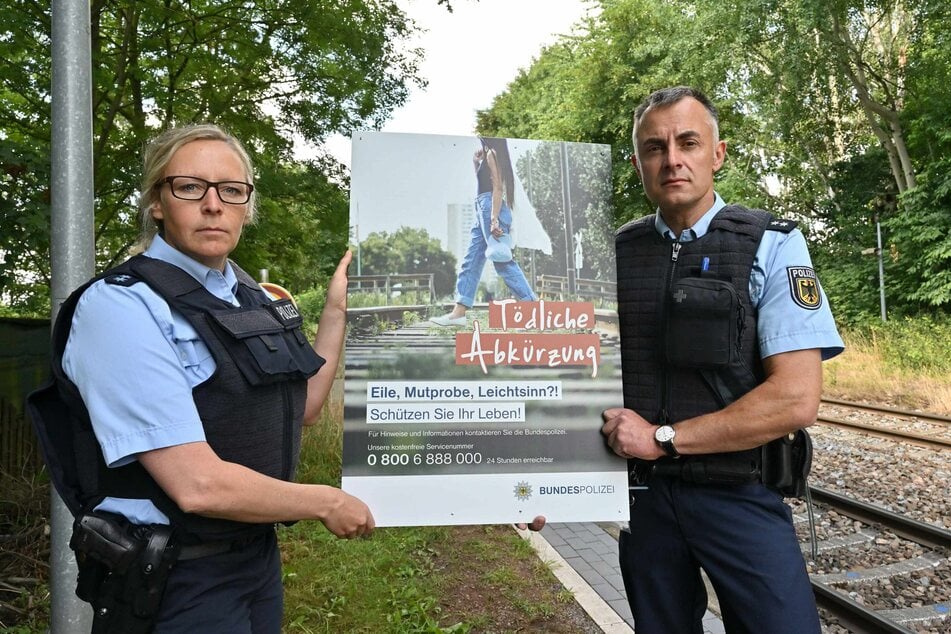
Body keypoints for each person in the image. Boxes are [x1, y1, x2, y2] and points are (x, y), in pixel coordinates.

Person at [30, 124, 374, 633]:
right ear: (157, 202)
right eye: (191, 187)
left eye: (231, 191)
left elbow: (304, 408)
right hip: (176, 578)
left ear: (245, 207)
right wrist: (326, 501)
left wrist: (336, 310)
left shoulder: (249, 296)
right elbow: (196, 485)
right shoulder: (122, 306)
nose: (213, 204)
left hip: (254, 561)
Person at [601, 86, 843, 633]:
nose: (672, 159)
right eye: (654, 148)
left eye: (688, 142)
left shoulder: (773, 244)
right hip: (645, 503)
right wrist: (536, 479)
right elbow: (567, 373)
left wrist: (663, 438)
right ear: (640, 162)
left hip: (740, 494)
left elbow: (796, 399)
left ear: (718, 153)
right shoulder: (610, 255)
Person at [431, 136, 537, 326]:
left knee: (502, 260)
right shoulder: (489, 155)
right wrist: (476, 163)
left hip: (490, 209)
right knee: (471, 260)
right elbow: (485, 184)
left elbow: (497, 188)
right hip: (483, 207)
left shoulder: (493, 154)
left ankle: (532, 307)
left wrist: (494, 219)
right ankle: (459, 313)